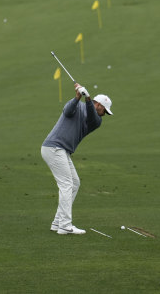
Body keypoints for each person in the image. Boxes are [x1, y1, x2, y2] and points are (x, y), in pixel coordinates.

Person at [41, 83, 113, 235]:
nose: (104, 114)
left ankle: (58, 222)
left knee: (75, 183)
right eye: (104, 110)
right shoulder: (77, 106)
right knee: (67, 184)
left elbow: (92, 116)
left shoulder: (97, 120)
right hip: (54, 147)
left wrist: (87, 100)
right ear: (99, 105)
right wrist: (77, 97)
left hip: (61, 150)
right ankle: (65, 226)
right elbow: (67, 111)